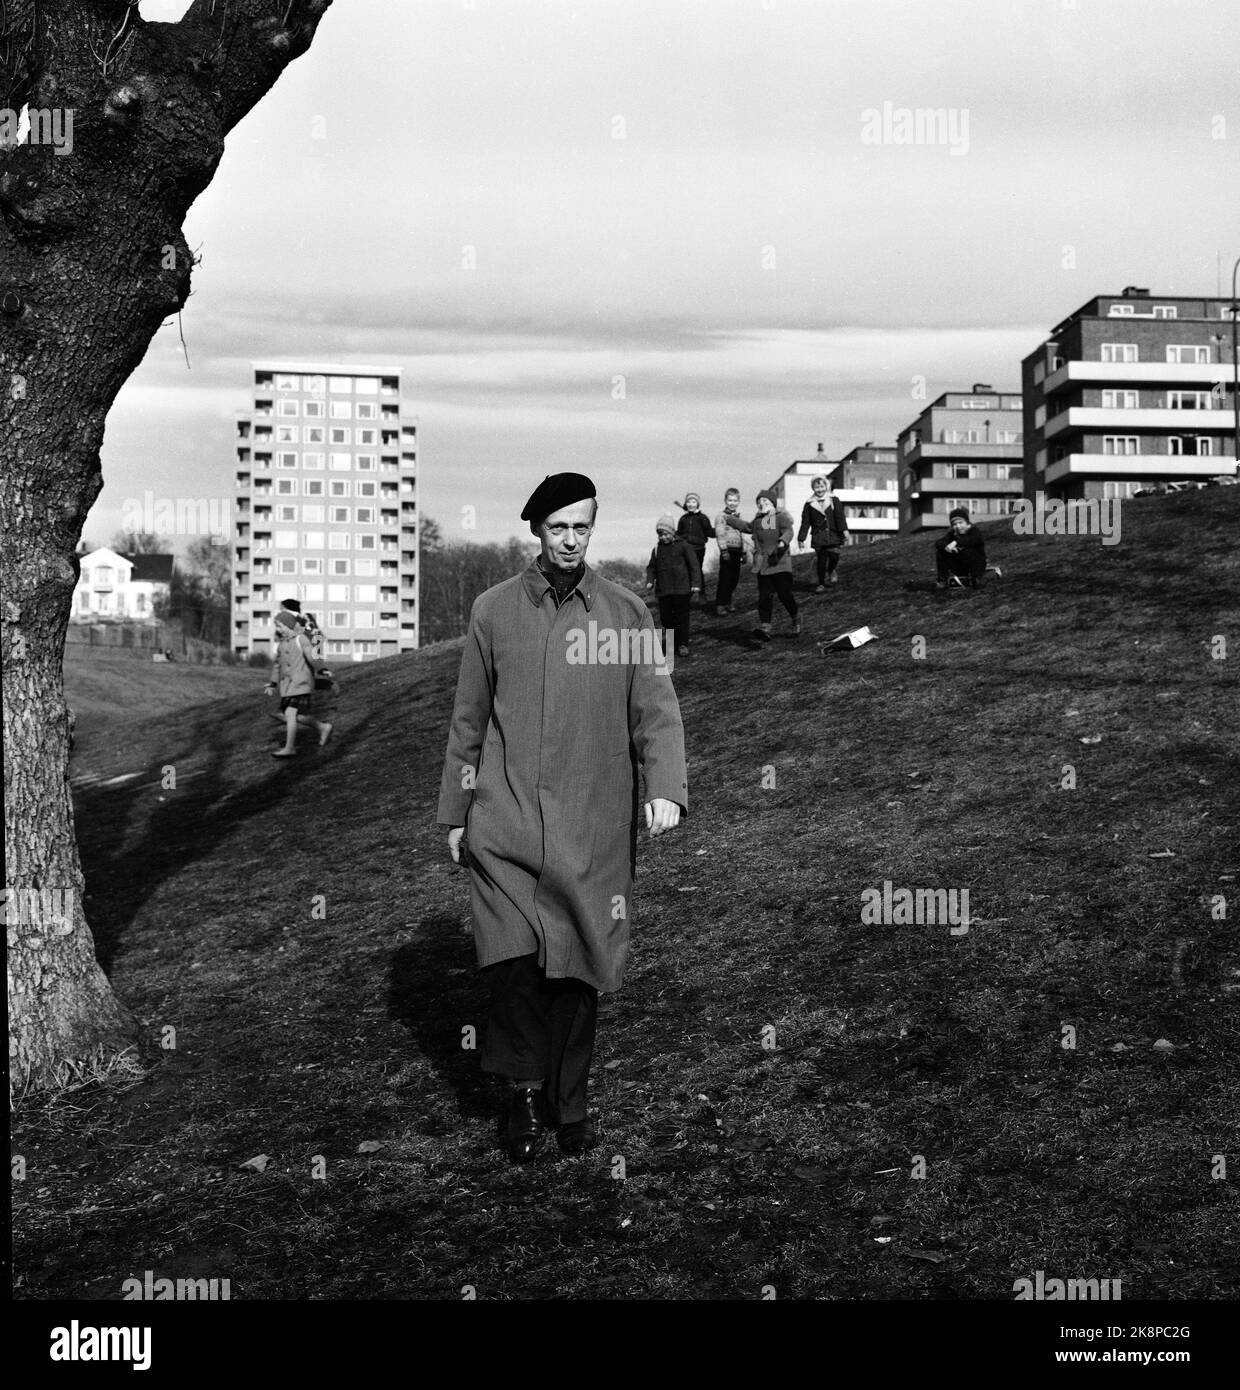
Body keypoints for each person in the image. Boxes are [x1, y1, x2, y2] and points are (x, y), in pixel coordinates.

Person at [438, 472, 687, 1164]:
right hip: (506, 818)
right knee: (513, 967)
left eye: (582, 526)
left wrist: (664, 784)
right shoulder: (493, 611)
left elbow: (656, 708)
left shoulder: (626, 612)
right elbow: (469, 718)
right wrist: (457, 811)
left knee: (577, 969)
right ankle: (518, 1097)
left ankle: (568, 1104)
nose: (571, 539)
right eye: (558, 527)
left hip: (591, 824)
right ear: (537, 532)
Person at [719, 489, 800, 640]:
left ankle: (795, 617)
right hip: (763, 565)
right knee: (764, 597)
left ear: (773, 504)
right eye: (759, 502)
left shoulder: (780, 517)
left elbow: (788, 530)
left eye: (766, 502)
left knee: (784, 594)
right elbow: (746, 527)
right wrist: (729, 519)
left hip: (780, 563)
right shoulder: (757, 521)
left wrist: (783, 541)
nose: (762, 504)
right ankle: (765, 627)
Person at [264, 609, 333, 757]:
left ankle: (290, 748)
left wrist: (322, 669)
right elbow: (277, 665)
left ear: (289, 625)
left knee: (290, 714)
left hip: (301, 684)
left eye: (280, 625)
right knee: (298, 716)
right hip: (287, 687)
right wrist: (272, 683)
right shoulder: (282, 645)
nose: (278, 629)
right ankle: (323, 727)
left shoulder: (301, 639)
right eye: (277, 626)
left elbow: (312, 656)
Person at [645, 514, 702, 657]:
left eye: (665, 534)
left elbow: (694, 566)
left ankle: (682, 644)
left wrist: (695, 583)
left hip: (682, 590)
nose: (662, 537)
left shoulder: (684, 546)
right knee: (666, 618)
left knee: (682, 617)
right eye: (660, 535)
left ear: (672, 532)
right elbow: (651, 567)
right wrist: (650, 580)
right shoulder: (657, 549)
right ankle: (674, 642)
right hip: (664, 591)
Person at [797, 474, 849, 591]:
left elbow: (840, 517)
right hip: (818, 536)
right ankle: (821, 584)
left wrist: (844, 530)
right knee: (822, 559)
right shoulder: (809, 504)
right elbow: (805, 522)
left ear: (826, 486)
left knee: (834, 556)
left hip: (833, 534)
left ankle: (831, 570)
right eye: (817, 487)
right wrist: (801, 538)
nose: (819, 490)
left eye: (822, 486)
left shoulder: (833, 500)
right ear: (813, 488)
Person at [674, 492, 714, 605]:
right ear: (686, 504)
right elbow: (680, 533)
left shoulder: (703, 518)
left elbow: (709, 532)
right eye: (689, 502)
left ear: (698, 504)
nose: (691, 504)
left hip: (699, 548)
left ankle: (702, 595)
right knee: (686, 571)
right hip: (686, 549)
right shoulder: (683, 519)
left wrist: (720, 531)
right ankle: (686, 595)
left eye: (693, 502)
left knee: (697, 570)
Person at [713, 487, 747, 615]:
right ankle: (720, 604)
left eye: (735, 500)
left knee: (734, 578)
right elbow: (719, 534)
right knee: (725, 578)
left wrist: (744, 551)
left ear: (738, 502)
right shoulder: (721, 517)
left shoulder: (739, 516)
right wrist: (723, 550)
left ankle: (729, 601)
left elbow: (742, 533)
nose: (732, 503)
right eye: (730, 500)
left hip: (737, 550)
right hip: (727, 551)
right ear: (725, 501)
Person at [935, 507, 987, 590]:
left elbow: (972, 540)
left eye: (960, 523)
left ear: (966, 522)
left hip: (976, 565)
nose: (958, 526)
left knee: (971, 551)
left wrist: (955, 543)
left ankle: (977, 579)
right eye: (955, 524)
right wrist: (946, 547)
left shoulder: (974, 531)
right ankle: (942, 580)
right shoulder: (952, 534)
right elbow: (939, 542)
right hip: (960, 565)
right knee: (940, 553)